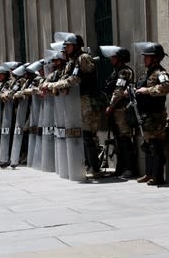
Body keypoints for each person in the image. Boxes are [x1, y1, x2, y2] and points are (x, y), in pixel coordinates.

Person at [54, 33, 102, 179]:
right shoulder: (72, 61)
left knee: (88, 135)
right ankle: (86, 164)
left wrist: (54, 85)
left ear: (75, 46)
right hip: (76, 101)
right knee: (81, 135)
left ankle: (95, 168)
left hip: (87, 100)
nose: (66, 49)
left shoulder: (83, 58)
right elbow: (66, 78)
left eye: (68, 46)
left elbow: (75, 79)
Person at [134, 42, 169, 185]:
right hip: (146, 115)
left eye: (147, 57)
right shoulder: (147, 73)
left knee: (155, 146)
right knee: (148, 145)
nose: (144, 59)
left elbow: (165, 88)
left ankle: (158, 176)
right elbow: (140, 87)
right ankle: (149, 174)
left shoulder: (161, 73)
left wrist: (147, 91)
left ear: (155, 58)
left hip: (156, 116)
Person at [101, 45, 138, 178]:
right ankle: (120, 168)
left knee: (125, 139)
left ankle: (129, 168)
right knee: (118, 139)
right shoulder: (116, 71)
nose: (111, 59)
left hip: (121, 109)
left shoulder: (124, 72)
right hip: (116, 110)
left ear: (120, 58)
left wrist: (110, 106)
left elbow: (119, 90)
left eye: (114, 57)